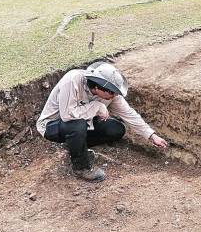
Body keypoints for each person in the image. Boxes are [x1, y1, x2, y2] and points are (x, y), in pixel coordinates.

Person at [36, 61, 168, 182]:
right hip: (53, 125)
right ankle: (81, 168)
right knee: (77, 124)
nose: (114, 96)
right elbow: (67, 115)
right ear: (98, 87)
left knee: (116, 129)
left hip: (80, 125)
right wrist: (97, 106)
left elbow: (129, 114)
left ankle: (75, 145)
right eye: (112, 92)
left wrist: (151, 135)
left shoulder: (111, 95)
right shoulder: (73, 80)